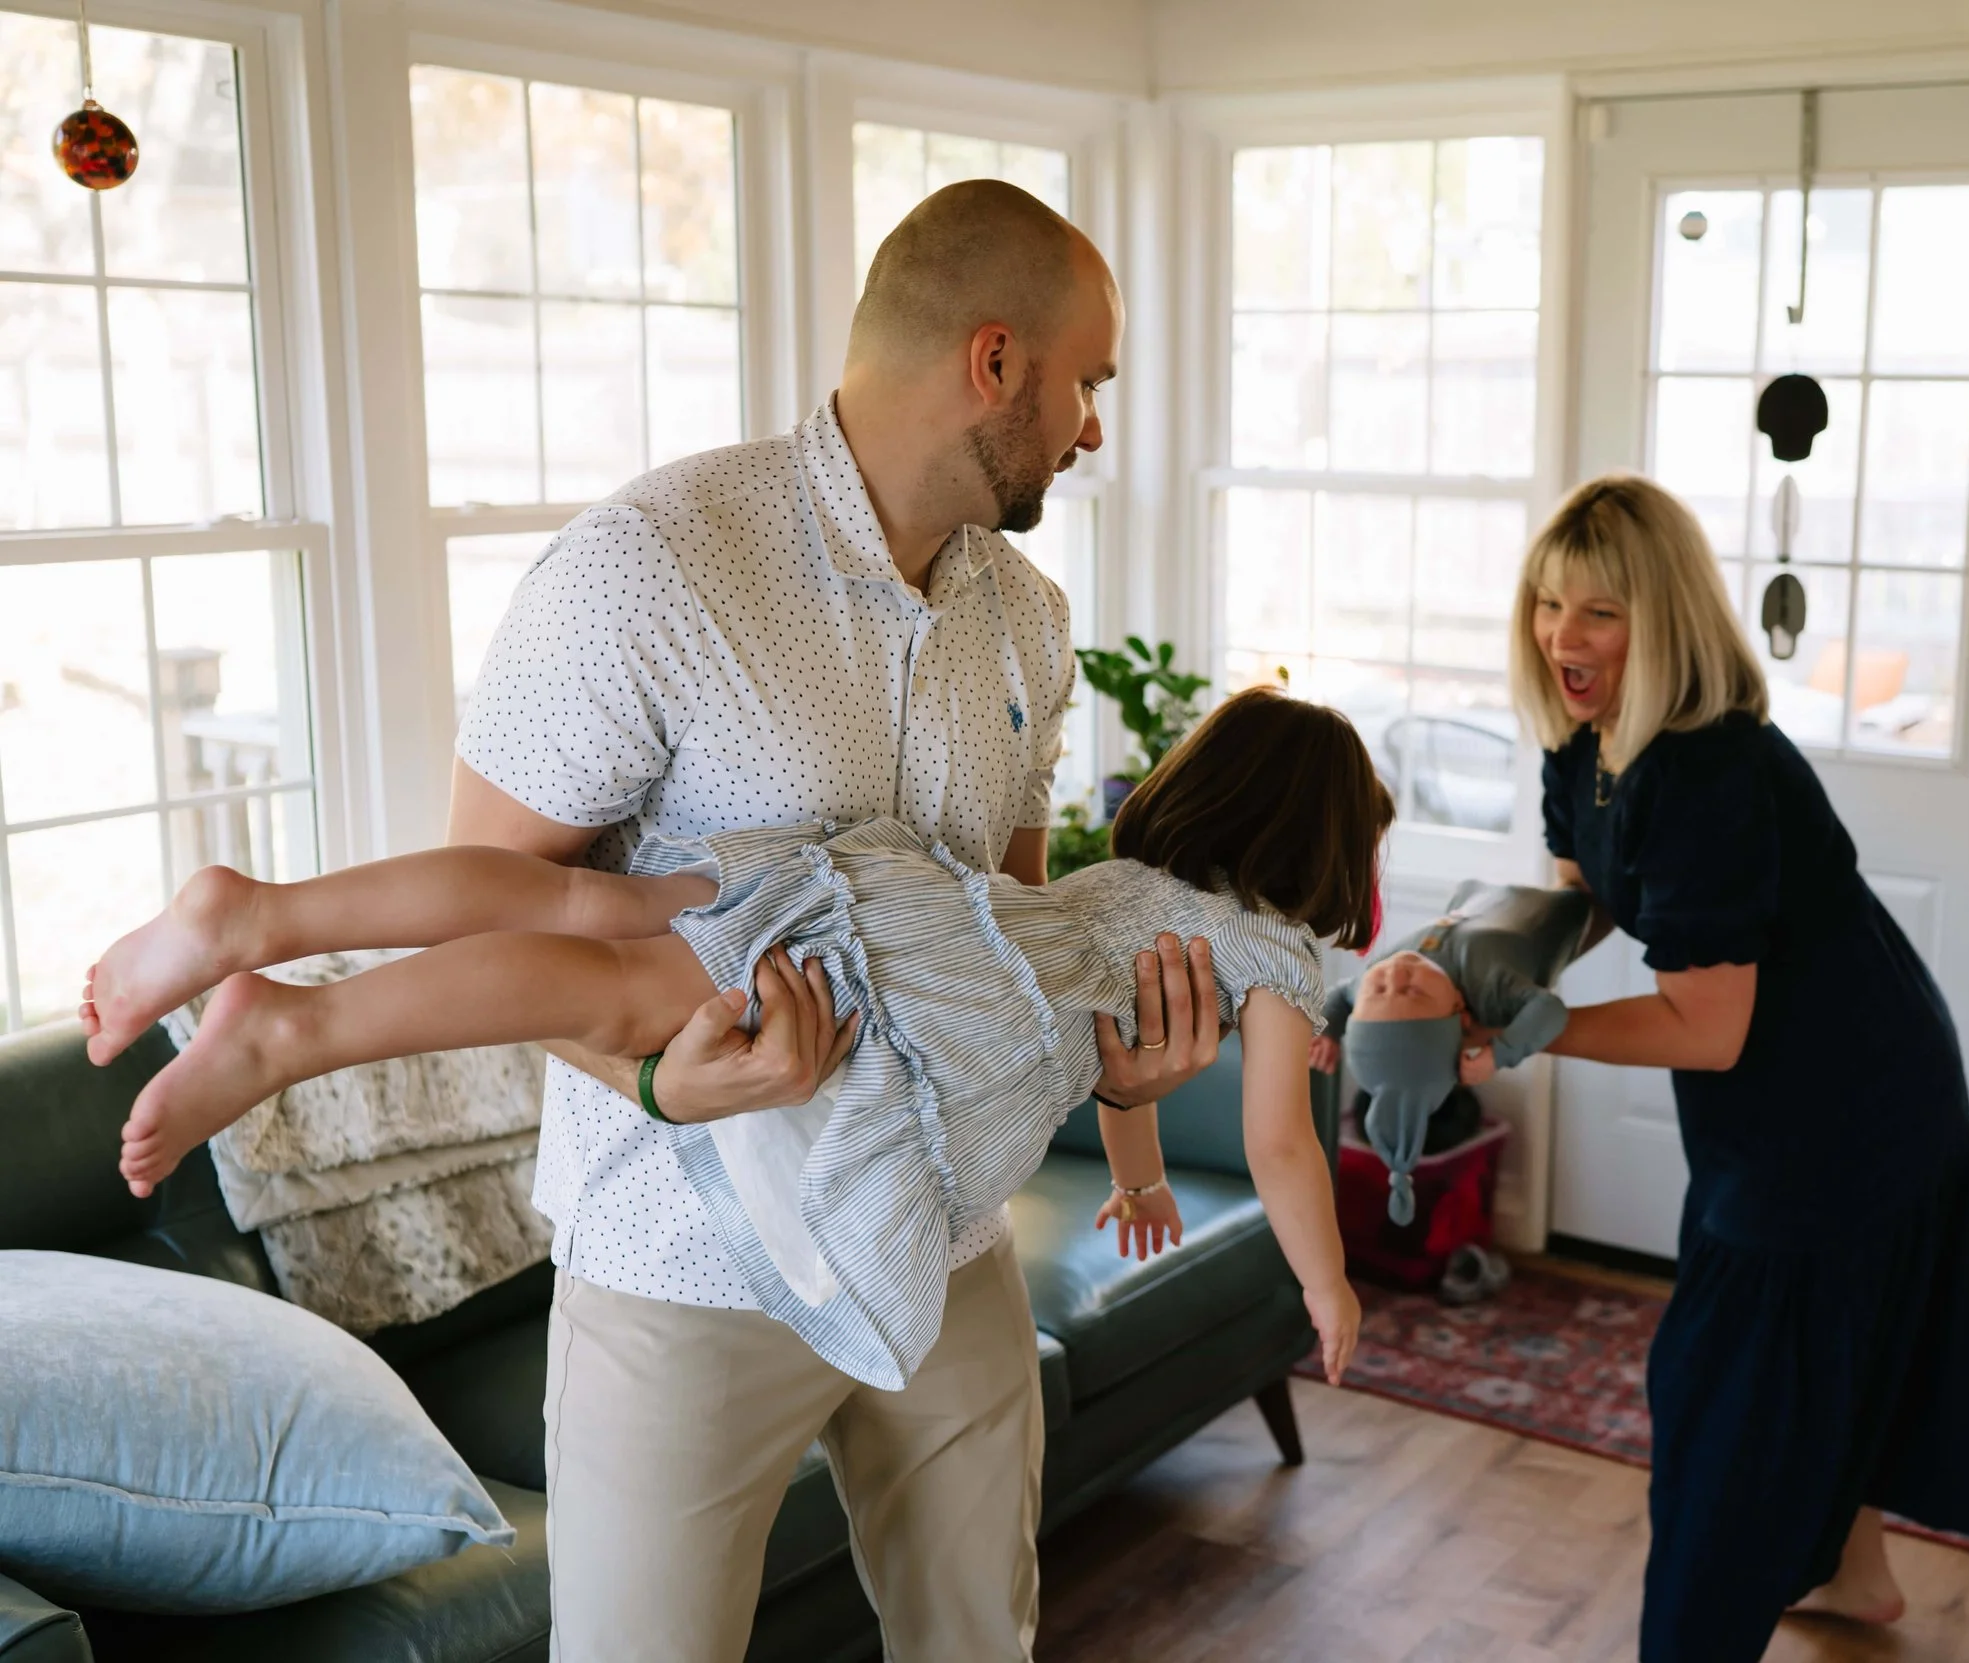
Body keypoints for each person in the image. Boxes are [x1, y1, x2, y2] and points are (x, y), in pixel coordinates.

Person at [180, 177, 1204, 1663]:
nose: (1094, 427)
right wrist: (654, 1075)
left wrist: (1111, 1065)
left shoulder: (1030, 620)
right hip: (681, 1260)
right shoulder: (648, 566)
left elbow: (1012, 924)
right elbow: (480, 926)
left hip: (948, 1234)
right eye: (1087, 383)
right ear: (996, 362)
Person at [84, 687, 1374, 1394]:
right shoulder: (1278, 965)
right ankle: (296, 1026)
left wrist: (1138, 1169)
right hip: (919, 993)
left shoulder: (1127, 888)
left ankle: (266, 918)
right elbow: (1281, 1144)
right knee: (606, 995)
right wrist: (1324, 1283)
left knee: (583, 901)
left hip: (884, 890)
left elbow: (1109, 1051)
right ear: (1327, 850)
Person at [1515, 475, 1969, 1662]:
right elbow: (1583, 905)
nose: (1560, 638)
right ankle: (1857, 1575)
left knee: (1724, 1417)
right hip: (1782, 1102)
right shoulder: (1587, 744)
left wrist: (1522, 1031)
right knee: (1792, 1379)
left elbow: (1703, 1025)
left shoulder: (1708, 770)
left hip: (1846, 1109)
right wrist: (1459, 968)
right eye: (1546, 603)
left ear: (1665, 619)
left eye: (1598, 613)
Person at [1307, 880, 1593, 1223]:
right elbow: (1549, 1010)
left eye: (1379, 988)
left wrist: (1330, 1031)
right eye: (1413, 992)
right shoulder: (1489, 985)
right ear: (1460, 1010)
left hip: (1476, 896)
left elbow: (1341, 994)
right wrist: (1500, 1053)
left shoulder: (1375, 976)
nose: (1396, 973)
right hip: (1556, 900)